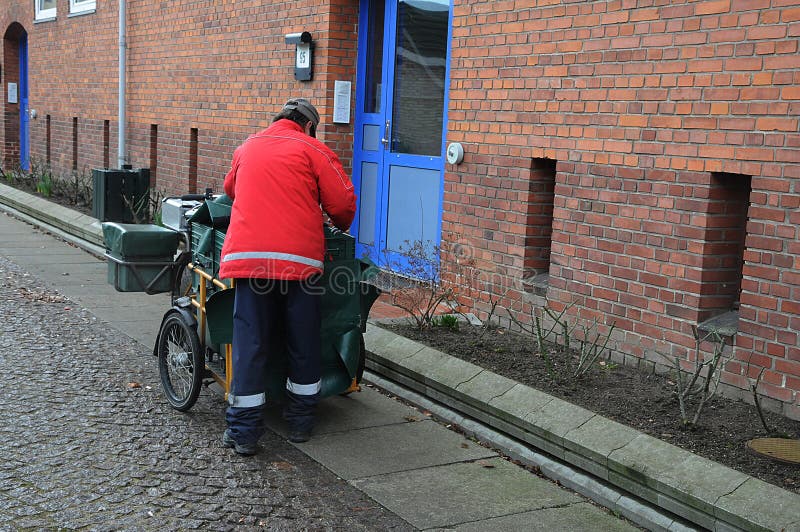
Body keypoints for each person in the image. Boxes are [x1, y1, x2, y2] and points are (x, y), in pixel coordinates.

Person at [218, 98, 356, 455]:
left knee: (250, 343)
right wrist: (337, 225)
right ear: (309, 125)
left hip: (250, 263)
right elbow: (342, 204)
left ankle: (245, 434)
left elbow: (231, 190)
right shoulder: (314, 149)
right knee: (303, 339)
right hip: (298, 264)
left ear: (278, 119)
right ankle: (300, 423)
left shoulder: (248, 146)